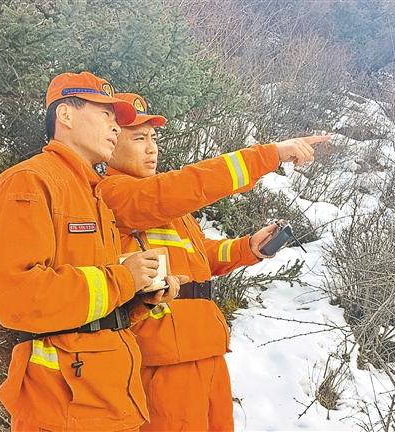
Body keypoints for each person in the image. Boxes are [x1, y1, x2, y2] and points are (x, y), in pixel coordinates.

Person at [97, 92, 331, 431]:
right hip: (163, 360)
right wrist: (269, 155)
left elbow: (200, 256)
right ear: (111, 142)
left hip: (205, 350)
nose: (151, 149)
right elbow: (192, 184)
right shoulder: (114, 193)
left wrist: (248, 248)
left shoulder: (162, 201)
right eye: (139, 139)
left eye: (154, 138)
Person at [0, 74, 179, 431]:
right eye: (105, 114)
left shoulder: (92, 193)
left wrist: (137, 299)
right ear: (66, 115)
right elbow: (18, 298)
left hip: (109, 400)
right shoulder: (30, 181)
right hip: (63, 406)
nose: (115, 127)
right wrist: (124, 279)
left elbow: (91, 306)